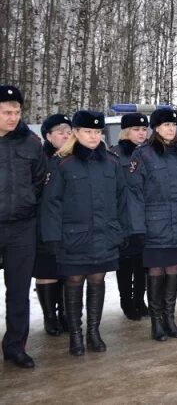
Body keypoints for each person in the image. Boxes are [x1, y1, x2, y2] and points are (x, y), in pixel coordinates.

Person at [40, 110, 128, 356]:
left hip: (104, 234)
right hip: (73, 236)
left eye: (97, 132)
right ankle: (76, 334)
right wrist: (52, 237)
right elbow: (52, 204)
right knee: (75, 280)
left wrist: (122, 230)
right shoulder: (62, 163)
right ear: (76, 133)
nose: (93, 136)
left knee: (97, 280)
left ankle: (93, 331)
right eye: (87, 131)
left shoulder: (111, 162)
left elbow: (122, 199)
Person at [128, 108, 177, 341]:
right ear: (156, 128)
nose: (170, 129)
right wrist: (138, 227)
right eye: (165, 125)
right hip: (154, 224)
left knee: (174, 269)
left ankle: (170, 317)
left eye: (173, 125)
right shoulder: (144, 155)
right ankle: (156, 321)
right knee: (156, 271)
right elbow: (134, 194)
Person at [0, 85, 47, 369]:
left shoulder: (31, 143)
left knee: (18, 291)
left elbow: (39, 180)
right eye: (6, 112)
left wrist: (28, 205)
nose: (13, 117)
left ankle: (16, 346)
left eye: (16, 112)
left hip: (21, 227)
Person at [34, 114, 72, 336]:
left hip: (70, 224)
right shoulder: (40, 159)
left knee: (69, 269)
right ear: (48, 136)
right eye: (60, 132)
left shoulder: (75, 157)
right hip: (44, 223)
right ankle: (50, 317)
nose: (66, 135)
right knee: (48, 269)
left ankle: (67, 312)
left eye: (68, 131)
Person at [110, 113, 150, 321]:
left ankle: (139, 300)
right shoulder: (115, 156)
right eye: (136, 129)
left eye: (144, 129)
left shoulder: (148, 153)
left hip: (146, 217)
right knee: (125, 265)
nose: (141, 133)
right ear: (126, 131)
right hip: (124, 218)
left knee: (143, 264)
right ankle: (127, 301)